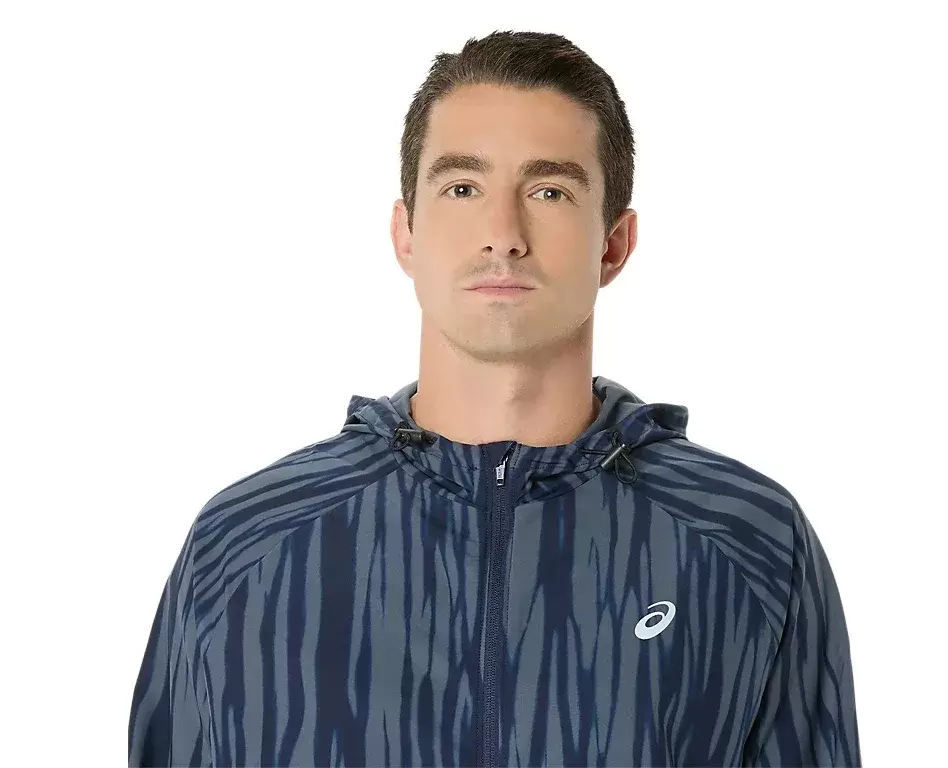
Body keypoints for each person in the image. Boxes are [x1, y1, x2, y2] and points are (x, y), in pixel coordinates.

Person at [128, 29, 861, 767]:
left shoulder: (747, 541)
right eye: (462, 188)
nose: (503, 235)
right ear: (405, 232)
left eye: (549, 191)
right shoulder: (250, 544)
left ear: (613, 243)